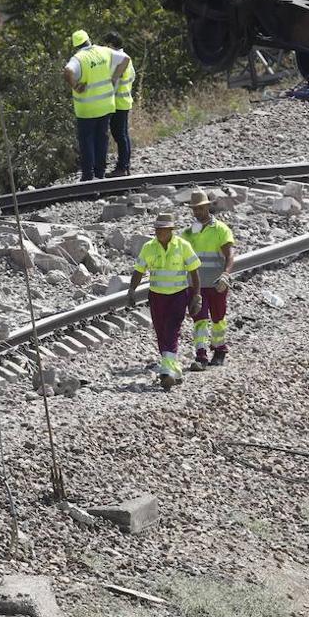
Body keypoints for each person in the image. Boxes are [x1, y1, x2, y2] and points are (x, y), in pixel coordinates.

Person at [126, 214, 203, 390]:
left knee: (172, 330)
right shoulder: (148, 247)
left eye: (163, 229)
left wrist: (196, 295)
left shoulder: (183, 246)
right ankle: (173, 369)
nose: (159, 232)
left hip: (178, 296)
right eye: (157, 229)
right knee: (161, 332)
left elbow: (194, 271)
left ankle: (166, 371)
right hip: (157, 296)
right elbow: (139, 270)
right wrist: (131, 290)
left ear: (171, 230)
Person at [180, 190, 236, 369]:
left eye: (200, 208)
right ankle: (201, 355)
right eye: (194, 209)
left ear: (207, 207)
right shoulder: (188, 233)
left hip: (216, 283)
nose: (197, 212)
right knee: (200, 318)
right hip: (196, 285)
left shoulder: (220, 229)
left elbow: (230, 255)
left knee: (218, 317)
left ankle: (219, 349)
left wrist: (226, 274)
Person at [62, 29, 116, 181]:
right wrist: (115, 78)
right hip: (106, 106)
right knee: (102, 139)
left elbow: (67, 70)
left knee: (87, 141)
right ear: (88, 40)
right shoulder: (104, 51)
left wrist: (75, 85)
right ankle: (100, 173)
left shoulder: (78, 58)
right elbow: (125, 58)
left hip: (87, 110)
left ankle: (88, 176)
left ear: (76, 45)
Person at [104, 32, 135, 177]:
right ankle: (125, 166)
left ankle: (122, 167)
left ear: (111, 45)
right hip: (125, 101)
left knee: (119, 135)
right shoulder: (126, 57)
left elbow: (113, 82)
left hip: (118, 103)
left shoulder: (118, 59)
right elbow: (133, 77)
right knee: (123, 135)